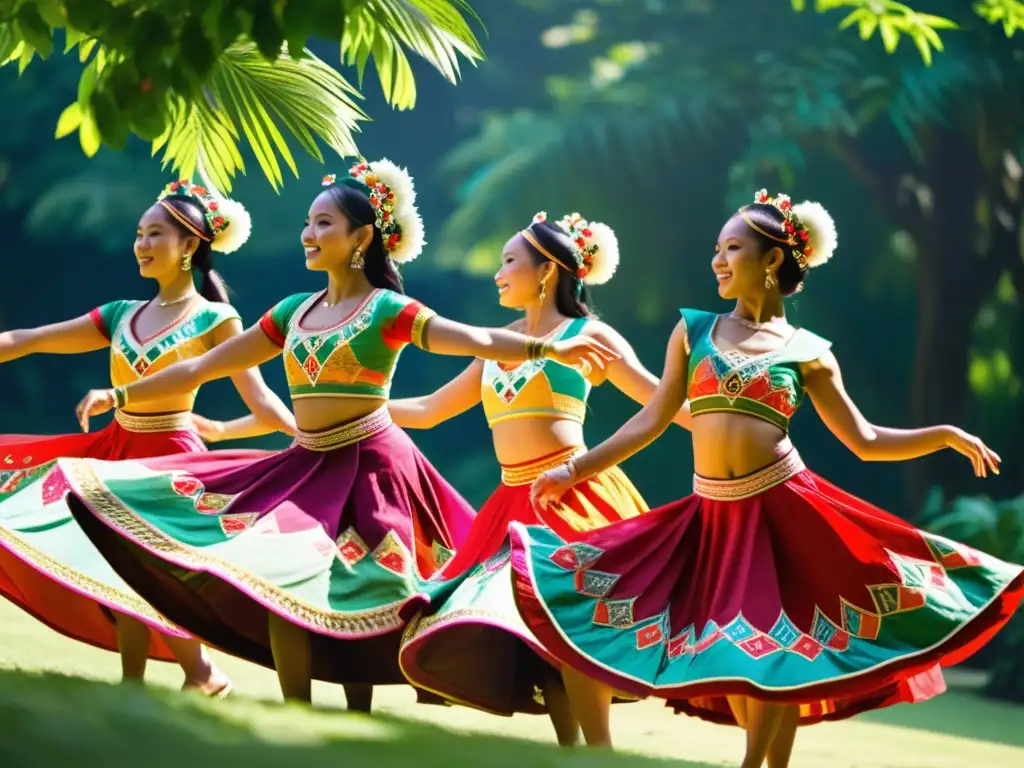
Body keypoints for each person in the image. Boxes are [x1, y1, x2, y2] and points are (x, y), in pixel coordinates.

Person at [57, 160, 619, 711]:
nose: (308, 233)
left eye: (323, 223)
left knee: (373, 590)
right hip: (306, 464)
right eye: (308, 222)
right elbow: (200, 368)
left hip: (374, 467)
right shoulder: (291, 313)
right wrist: (122, 396)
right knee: (277, 577)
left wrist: (548, 347)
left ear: (361, 237)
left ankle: (360, 711)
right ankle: (295, 712)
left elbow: (471, 339)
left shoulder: (388, 308)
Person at [516, 190, 1024, 765]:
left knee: (778, 655)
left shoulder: (809, 353)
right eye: (716, 249)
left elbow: (866, 440)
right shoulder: (694, 330)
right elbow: (652, 419)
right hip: (711, 518)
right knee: (617, 596)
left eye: (732, 247)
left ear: (773, 260)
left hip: (784, 513)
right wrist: (574, 468)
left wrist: (944, 435)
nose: (718, 261)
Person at [390, 211, 689, 744]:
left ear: (547, 270)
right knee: (534, 630)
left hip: (576, 494)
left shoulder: (588, 334)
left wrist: (730, 422)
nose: (499, 274)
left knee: (568, 618)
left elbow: (659, 401)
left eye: (509, 262)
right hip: (512, 501)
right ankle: (572, 751)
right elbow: (434, 408)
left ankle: (598, 751)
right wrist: (363, 408)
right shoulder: (498, 342)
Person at [0, 179, 295, 695]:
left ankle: (201, 672)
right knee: (123, 571)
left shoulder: (216, 318)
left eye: (155, 233)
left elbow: (261, 399)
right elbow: (29, 340)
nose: (141, 244)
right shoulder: (119, 316)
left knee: (157, 572)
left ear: (189, 246)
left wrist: (305, 435)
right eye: (139, 234)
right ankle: (133, 685)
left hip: (171, 460)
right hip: (117, 450)